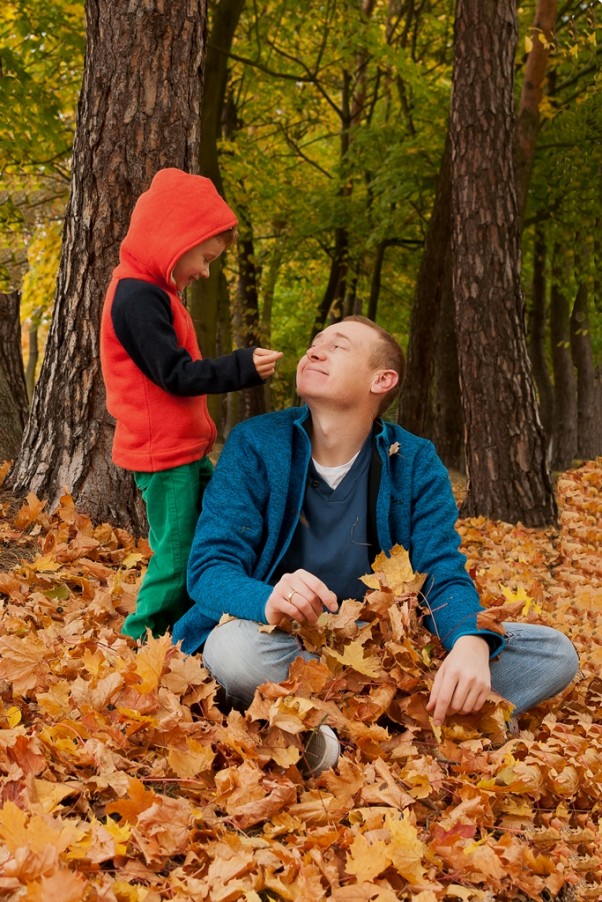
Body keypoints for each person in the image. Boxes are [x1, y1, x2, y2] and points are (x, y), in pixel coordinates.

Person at [172, 315, 578, 776]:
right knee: (230, 649)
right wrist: (267, 599)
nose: (315, 351)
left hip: (383, 654)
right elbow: (209, 568)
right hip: (284, 644)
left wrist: (469, 641)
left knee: (554, 652)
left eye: (338, 346)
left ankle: (335, 726)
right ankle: (401, 724)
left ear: (381, 380)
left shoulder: (416, 460)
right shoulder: (256, 443)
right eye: (315, 343)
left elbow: (441, 566)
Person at [100, 168, 282, 641]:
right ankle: (138, 642)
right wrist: (240, 367)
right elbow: (175, 375)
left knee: (211, 541)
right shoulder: (137, 296)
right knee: (178, 557)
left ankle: (184, 634)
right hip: (164, 454)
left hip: (184, 449)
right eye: (203, 258)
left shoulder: (156, 291)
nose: (204, 271)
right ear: (172, 241)